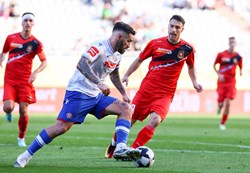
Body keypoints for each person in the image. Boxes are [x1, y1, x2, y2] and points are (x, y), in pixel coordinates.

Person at [14, 21, 140, 168]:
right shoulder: (99, 47)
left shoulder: (118, 54)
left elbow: (113, 73)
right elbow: (81, 63)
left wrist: (123, 93)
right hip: (78, 93)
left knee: (126, 108)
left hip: (96, 97)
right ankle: (25, 155)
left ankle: (120, 148)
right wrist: (99, 83)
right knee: (61, 127)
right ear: (119, 37)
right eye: (128, 41)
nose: (129, 45)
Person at [105, 14, 203, 159]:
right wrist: (127, 75)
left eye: (177, 27)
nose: (173, 30)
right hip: (146, 91)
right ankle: (114, 143)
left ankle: (133, 150)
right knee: (129, 120)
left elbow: (191, 66)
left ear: (182, 29)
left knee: (155, 120)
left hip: (165, 94)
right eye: (172, 26)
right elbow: (139, 60)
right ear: (168, 26)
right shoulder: (155, 43)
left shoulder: (187, 48)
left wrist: (194, 81)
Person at [0, 12, 47, 147]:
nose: (28, 23)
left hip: (25, 81)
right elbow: (3, 51)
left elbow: (44, 62)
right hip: (10, 80)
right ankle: (8, 112)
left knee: (23, 110)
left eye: (30, 21)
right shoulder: (10, 38)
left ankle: (21, 138)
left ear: (33, 24)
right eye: (25, 20)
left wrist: (35, 72)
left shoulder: (36, 43)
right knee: (8, 107)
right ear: (21, 22)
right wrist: (2, 58)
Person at [213, 36, 243, 130]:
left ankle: (222, 123)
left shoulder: (238, 56)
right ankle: (219, 106)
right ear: (228, 43)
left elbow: (240, 66)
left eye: (234, 42)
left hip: (231, 82)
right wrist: (219, 74)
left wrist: (241, 71)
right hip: (222, 82)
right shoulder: (221, 54)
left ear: (236, 44)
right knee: (221, 103)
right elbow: (214, 65)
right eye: (231, 42)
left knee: (228, 102)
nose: (232, 44)